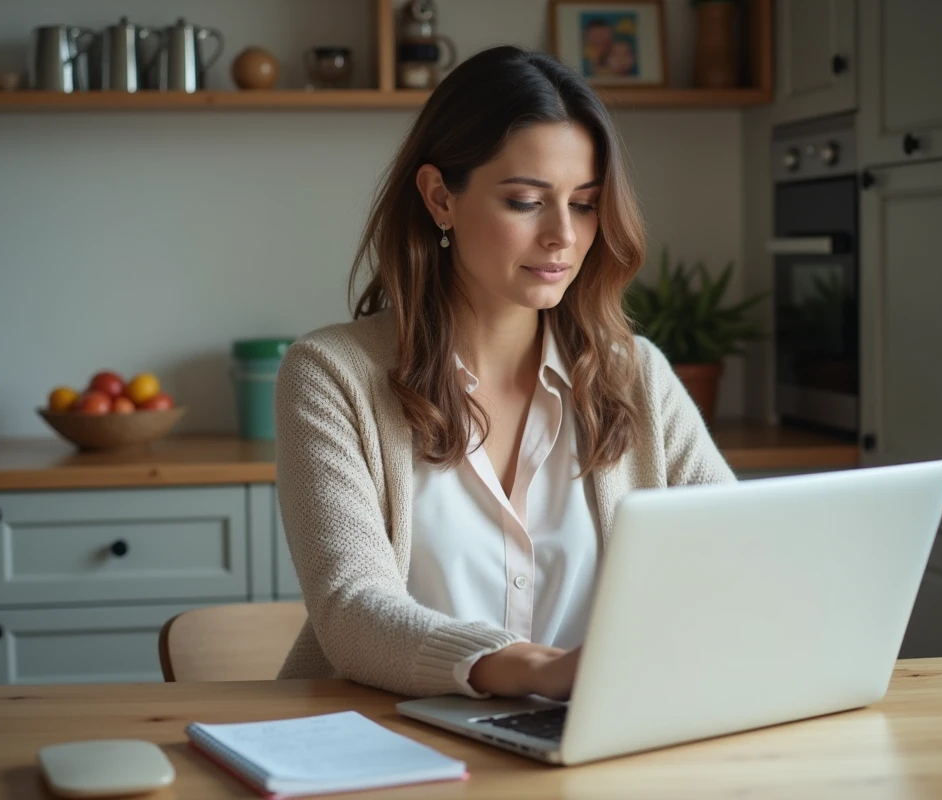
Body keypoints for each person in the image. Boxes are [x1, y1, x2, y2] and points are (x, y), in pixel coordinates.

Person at [274, 45, 735, 702]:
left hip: (588, 744)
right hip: (380, 742)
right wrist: (536, 670)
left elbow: (735, 558)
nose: (563, 237)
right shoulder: (330, 377)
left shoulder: (637, 375)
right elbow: (352, 609)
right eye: (525, 201)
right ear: (440, 198)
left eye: (583, 204)